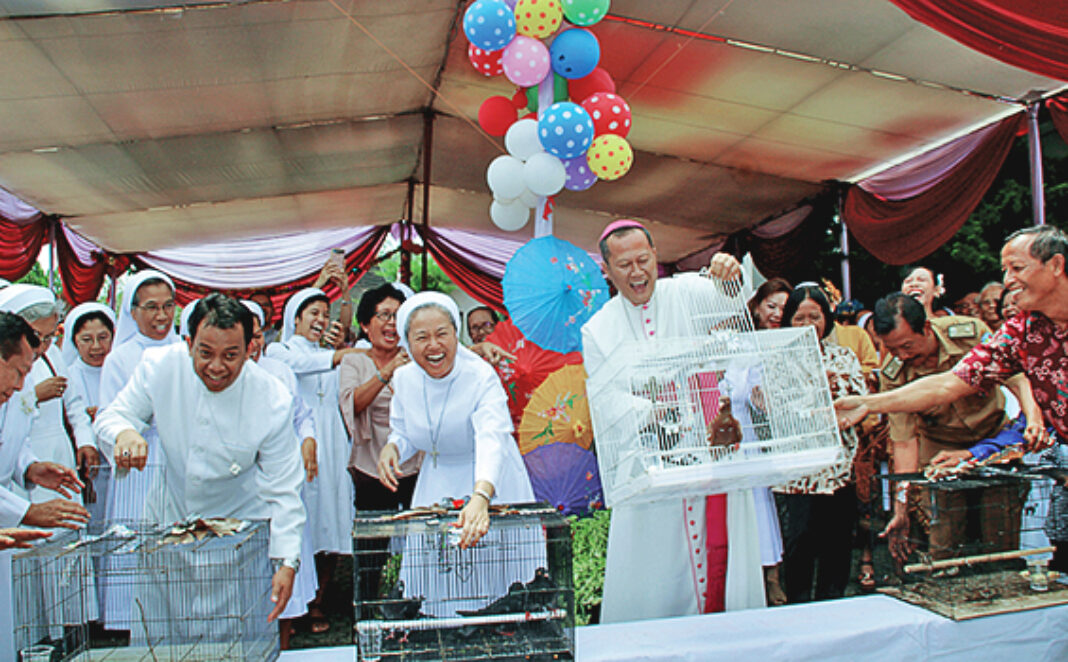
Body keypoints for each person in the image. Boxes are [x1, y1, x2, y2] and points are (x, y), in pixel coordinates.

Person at [839, 226, 1068, 563]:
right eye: (1005, 270)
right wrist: (867, 403)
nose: (1007, 281)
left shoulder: (969, 330)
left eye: (1017, 268)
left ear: (1057, 265)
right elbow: (948, 384)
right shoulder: (1022, 330)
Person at [581, 219, 764, 623]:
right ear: (607, 272)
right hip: (651, 468)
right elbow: (605, 398)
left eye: (643, 260)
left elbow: (735, 297)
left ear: (655, 257)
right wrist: (655, 409)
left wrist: (728, 273)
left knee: (724, 555)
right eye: (624, 265)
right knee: (657, 573)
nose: (636, 272)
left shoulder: (684, 291)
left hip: (708, 453)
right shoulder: (597, 329)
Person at [94, 293, 306, 624]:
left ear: (251, 349)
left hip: (236, 539)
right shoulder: (159, 366)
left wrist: (287, 561)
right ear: (189, 342)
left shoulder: (272, 398)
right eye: (205, 353)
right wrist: (125, 434)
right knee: (164, 638)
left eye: (230, 355)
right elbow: (112, 416)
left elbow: (285, 488)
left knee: (233, 640)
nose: (217, 367)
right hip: (169, 526)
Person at [837, 293, 1039, 563]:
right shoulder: (893, 373)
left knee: (999, 533)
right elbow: (904, 441)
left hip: (994, 438)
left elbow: (1015, 377)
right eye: (892, 349)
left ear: (927, 328)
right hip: (939, 452)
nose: (903, 355)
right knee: (944, 540)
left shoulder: (969, 334)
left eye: (907, 346)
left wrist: (1033, 416)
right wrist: (901, 508)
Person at [376, 292, 538, 615]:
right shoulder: (404, 379)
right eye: (422, 337)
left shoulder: (479, 375)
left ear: (455, 335)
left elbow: (492, 438)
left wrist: (481, 496)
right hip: (436, 481)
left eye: (442, 334)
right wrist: (393, 448)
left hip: (490, 478)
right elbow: (405, 431)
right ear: (408, 342)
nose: (434, 346)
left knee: (495, 582)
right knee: (440, 584)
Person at [264, 286, 360, 632]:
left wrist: (340, 354)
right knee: (301, 522)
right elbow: (301, 364)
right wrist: (340, 355)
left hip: (333, 445)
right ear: (296, 318)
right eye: (313, 313)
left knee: (331, 519)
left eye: (325, 313)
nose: (321, 320)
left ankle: (319, 599)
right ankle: (294, 602)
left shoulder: (330, 353)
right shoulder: (279, 351)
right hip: (299, 445)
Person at [0, 312, 85, 662]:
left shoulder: (10, 397)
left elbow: (12, 443)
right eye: (19, 372)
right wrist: (28, 512)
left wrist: (31, 468)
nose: (23, 385)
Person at [774, 286, 866, 602]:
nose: (808, 324)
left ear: (827, 319)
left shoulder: (844, 356)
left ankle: (834, 608)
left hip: (838, 470)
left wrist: (836, 401)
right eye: (799, 317)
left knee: (838, 546)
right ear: (788, 321)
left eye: (815, 316)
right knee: (798, 546)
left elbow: (859, 401)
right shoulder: (774, 360)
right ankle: (797, 609)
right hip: (795, 476)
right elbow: (775, 409)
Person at [242, 299, 319, 647]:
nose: (255, 344)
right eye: (249, 337)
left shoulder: (279, 371)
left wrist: (309, 441)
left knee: (286, 557)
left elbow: (301, 414)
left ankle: (284, 643)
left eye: (259, 335)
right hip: (244, 486)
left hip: (283, 478)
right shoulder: (221, 375)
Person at [339, 285, 419, 616]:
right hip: (371, 465)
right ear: (365, 324)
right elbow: (353, 403)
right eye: (383, 315)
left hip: (414, 463)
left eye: (397, 316)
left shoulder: (416, 357)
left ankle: (417, 607)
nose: (391, 323)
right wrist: (386, 371)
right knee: (373, 548)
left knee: (419, 541)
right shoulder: (356, 361)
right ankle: (368, 614)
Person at [0, 286, 98, 502]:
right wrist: (34, 395)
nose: (41, 347)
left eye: (49, 337)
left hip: (51, 454)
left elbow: (73, 403)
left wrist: (84, 441)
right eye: (36, 337)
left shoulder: (52, 355)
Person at [745, 278, 791, 606]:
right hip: (744, 433)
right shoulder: (742, 341)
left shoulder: (791, 342)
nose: (776, 314)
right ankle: (754, 576)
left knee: (772, 510)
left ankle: (774, 575)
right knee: (754, 502)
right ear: (757, 305)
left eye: (783, 308)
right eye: (770, 305)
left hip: (778, 433)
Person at [61, 302, 116, 421]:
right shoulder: (67, 379)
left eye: (102, 338)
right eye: (87, 340)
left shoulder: (124, 371)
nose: (96, 346)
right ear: (74, 341)